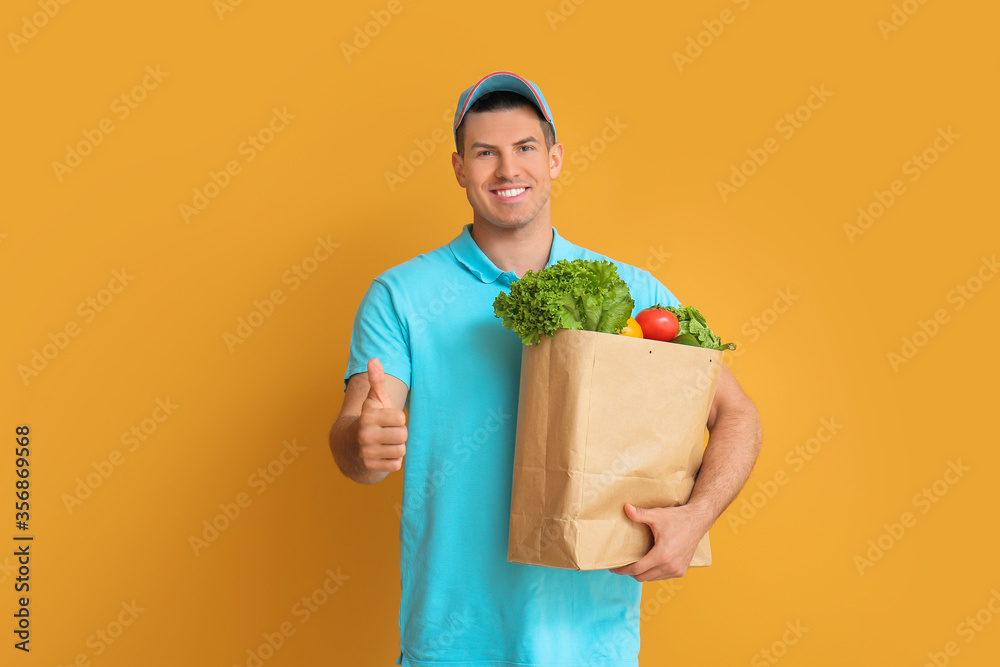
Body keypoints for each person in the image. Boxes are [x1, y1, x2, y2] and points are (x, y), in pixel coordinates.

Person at [330, 70, 762, 667]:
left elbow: (737, 413)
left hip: (591, 641)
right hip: (452, 640)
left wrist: (696, 517)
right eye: (485, 152)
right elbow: (359, 433)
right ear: (459, 169)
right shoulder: (402, 294)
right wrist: (364, 440)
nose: (508, 169)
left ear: (554, 159)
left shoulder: (634, 291)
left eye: (526, 148)